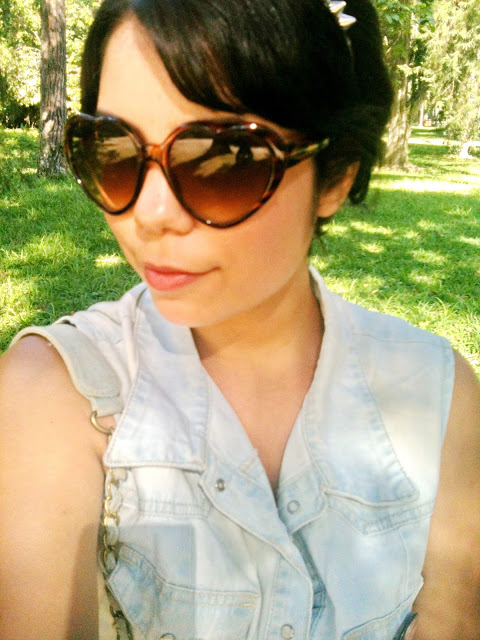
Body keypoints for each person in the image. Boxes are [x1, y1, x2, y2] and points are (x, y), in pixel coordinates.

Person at [0, 0, 479, 638]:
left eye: (222, 159)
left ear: (337, 177)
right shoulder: (53, 394)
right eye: (113, 150)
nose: (150, 215)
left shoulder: (441, 397)